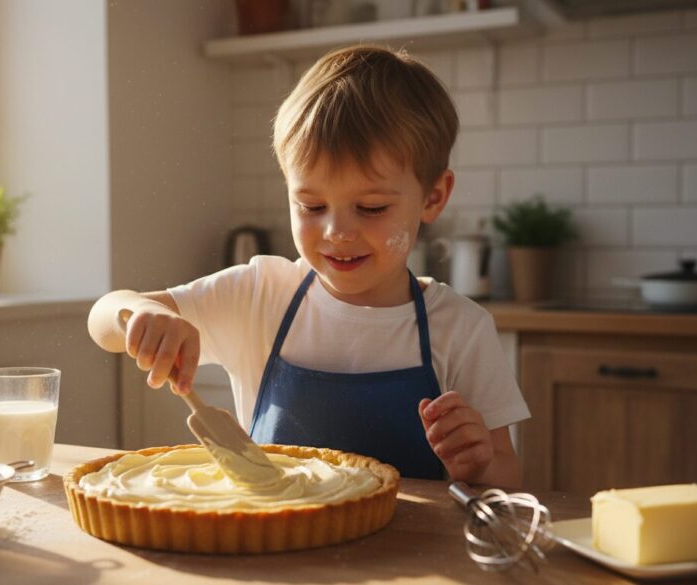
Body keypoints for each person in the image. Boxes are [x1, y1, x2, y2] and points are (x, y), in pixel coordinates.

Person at [89, 45, 529, 486]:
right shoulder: (260, 294)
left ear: (433, 197)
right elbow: (103, 318)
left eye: (371, 207)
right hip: (279, 548)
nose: (337, 231)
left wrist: (478, 465)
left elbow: (507, 478)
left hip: (414, 555)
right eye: (311, 205)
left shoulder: (461, 329)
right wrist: (143, 314)